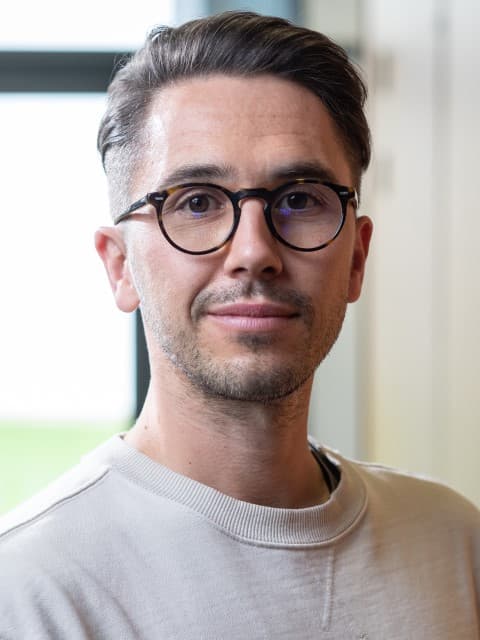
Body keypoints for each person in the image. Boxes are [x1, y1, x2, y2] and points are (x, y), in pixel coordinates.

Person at [1, 11, 478, 639]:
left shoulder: (454, 544)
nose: (254, 251)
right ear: (120, 266)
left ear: (357, 259)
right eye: (197, 202)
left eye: (299, 199)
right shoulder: (29, 593)